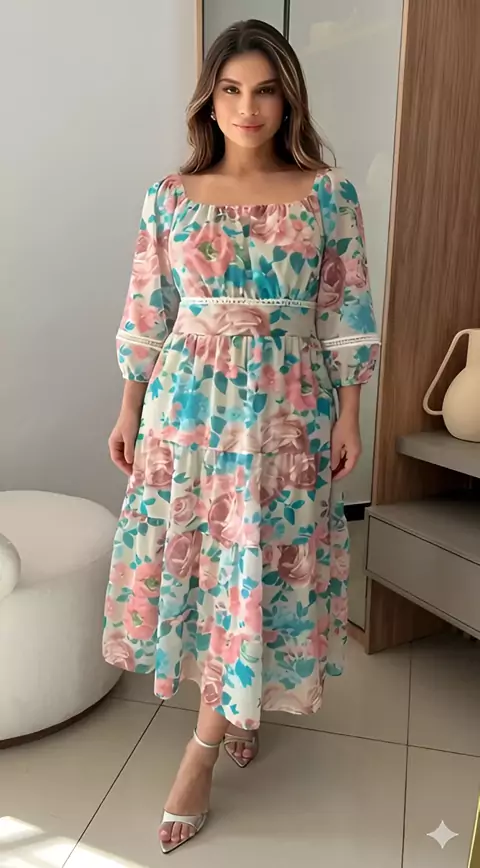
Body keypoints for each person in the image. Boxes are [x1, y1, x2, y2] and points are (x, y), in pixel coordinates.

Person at [104, 18, 379, 855]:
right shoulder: (170, 195)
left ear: (288, 99)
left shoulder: (328, 194)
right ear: (210, 100)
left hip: (288, 413)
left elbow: (346, 310)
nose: (247, 107)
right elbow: (148, 310)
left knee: (262, 564)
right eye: (230, 90)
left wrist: (350, 411)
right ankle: (232, 708)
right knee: (207, 565)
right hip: (187, 412)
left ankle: (201, 752)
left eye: (264, 91)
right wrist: (128, 407)